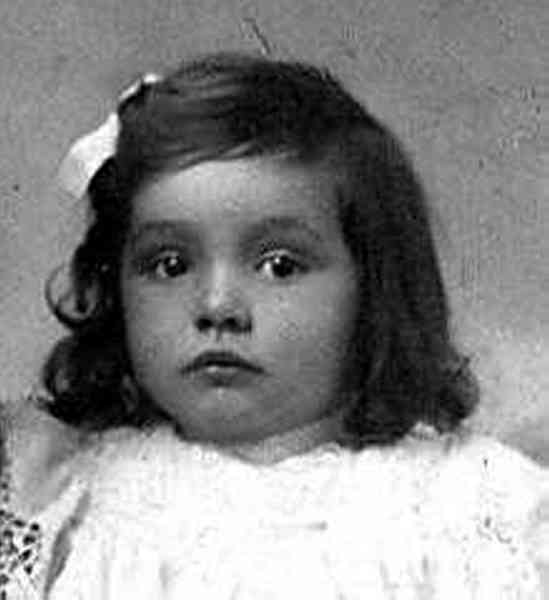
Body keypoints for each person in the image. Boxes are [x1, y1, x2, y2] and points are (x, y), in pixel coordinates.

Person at [4, 51, 548, 598]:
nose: (217, 306)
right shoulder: (67, 500)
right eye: (170, 265)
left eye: (279, 266)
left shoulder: (470, 504)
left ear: (373, 287)